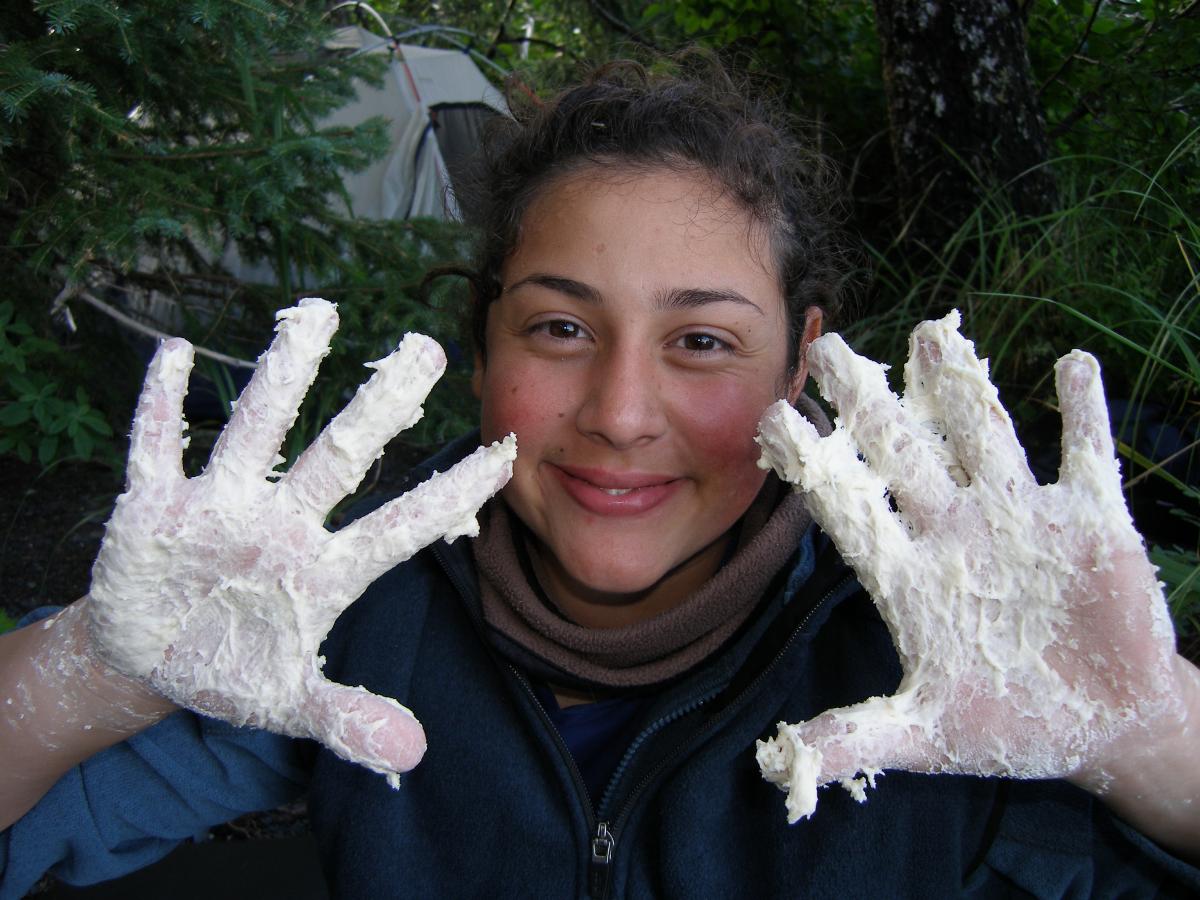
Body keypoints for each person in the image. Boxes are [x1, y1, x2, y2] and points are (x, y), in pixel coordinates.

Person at [2, 57, 1199, 898]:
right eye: (561, 331)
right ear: (482, 356)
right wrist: (84, 672)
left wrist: (1154, 741)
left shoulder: (945, 675)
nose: (622, 415)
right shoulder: (334, 613)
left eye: (703, 342)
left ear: (799, 373)